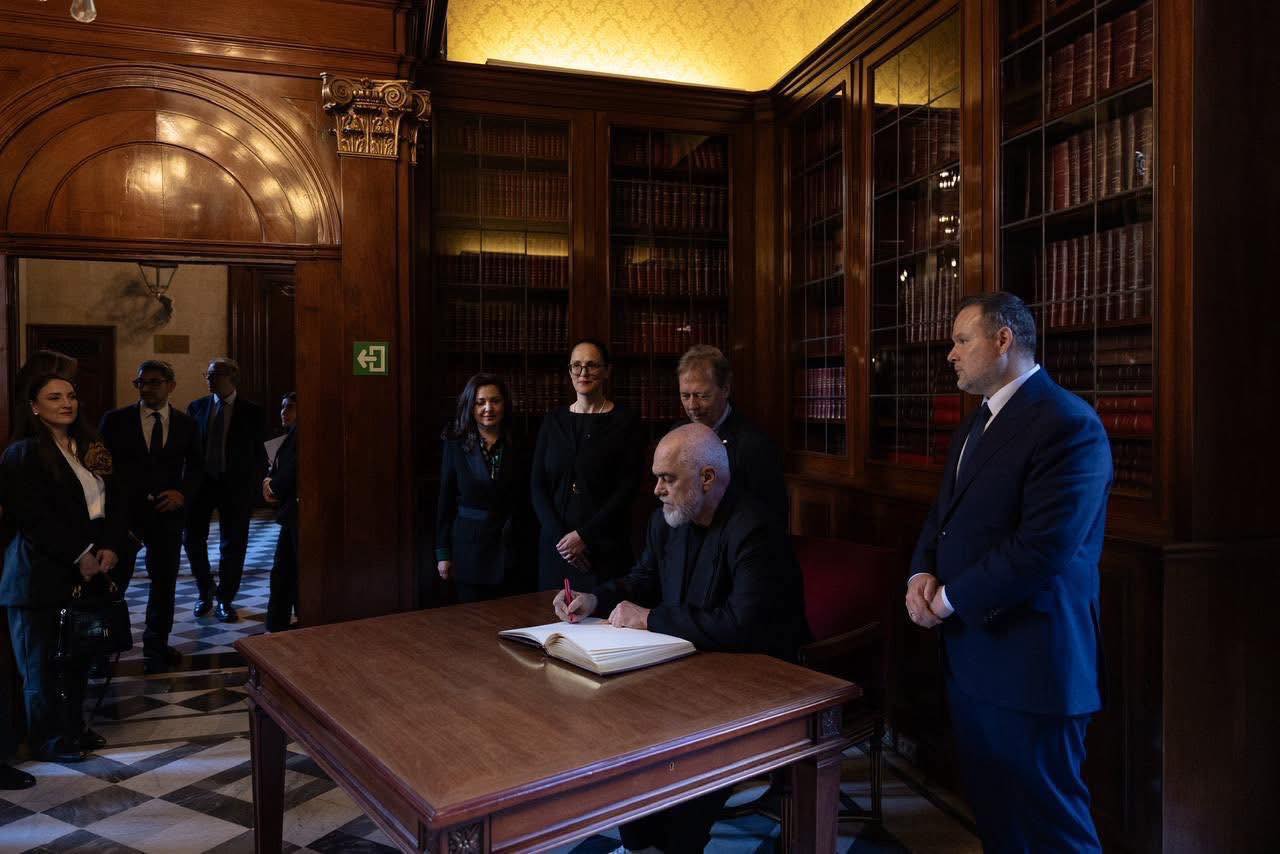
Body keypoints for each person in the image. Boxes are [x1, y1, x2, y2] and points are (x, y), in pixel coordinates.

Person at [905, 292, 1112, 852]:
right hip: (973, 660)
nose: (950, 354)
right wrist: (919, 574)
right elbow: (942, 517)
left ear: (1003, 340)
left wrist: (948, 599)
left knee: (1053, 829)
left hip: (1032, 666)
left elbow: (1042, 548)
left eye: (961, 340)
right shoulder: (975, 423)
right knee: (1000, 826)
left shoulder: (1069, 423)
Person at [555, 423, 808, 854]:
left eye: (667, 479)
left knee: (684, 790)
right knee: (628, 750)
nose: (656, 490)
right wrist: (594, 599)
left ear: (707, 478)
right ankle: (643, 836)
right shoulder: (668, 521)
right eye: (656, 477)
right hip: (688, 672)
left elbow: (743, 625)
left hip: (755, 681)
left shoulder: (754, 527)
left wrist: (651, 618)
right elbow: (643, 579)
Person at [1, 374, 130, 762]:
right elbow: (32, 516)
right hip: (38, 575)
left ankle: (73, 728)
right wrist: (79, 553)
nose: (66, 403)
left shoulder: (89, 446)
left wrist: (110, 545)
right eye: (54, 397)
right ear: (34, 406)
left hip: (87, 573)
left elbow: (115, 500)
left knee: (77, 656)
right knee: (41, 665)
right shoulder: (22, 453)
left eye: (71, 396)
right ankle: (48, 739)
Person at [99, 360, 203, 674]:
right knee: (114, 583)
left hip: (166, 515)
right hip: (124, 516)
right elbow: (100, 467)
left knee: (164, 583)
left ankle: (156, 646)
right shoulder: (115, 420)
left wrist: (181, 493)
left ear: (171, 385)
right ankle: (103, 650)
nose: (146, 388)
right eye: (141, 382)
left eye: (154, 382)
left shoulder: (186, 424)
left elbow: (197, 468)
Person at [531, 338, 643, 593]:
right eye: (577, 365)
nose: (583, 372)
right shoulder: (552, 421)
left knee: (603, 614)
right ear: (569, 370)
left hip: (604, 547)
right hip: (557, 549)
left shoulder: (626, 421)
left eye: (592, 365)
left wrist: (584, 536)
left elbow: (628, 488)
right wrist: (563, 541)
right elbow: (537, 486)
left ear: (606, 371)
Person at [435, 375, 531, 603]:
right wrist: (443, 553)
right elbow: (445, 501)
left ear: (504, 404)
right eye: (480, 402)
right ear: (471, 406)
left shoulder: (520, 442)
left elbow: (527, 499)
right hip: (469, 551)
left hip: (511, 549)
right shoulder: (455, 444)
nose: (488, 408)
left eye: (495, 401)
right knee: (472, 620)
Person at [673, 344, 788, 531]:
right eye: (685, 396)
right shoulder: (676, 435)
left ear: (725, 389)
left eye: (702, 396)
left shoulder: (754, 444)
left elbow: (770, 515)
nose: (692, 406)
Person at [185, 357, 266, 623]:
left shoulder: (253, 412)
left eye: (215, 375)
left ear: (233, 377)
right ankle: (205, 590)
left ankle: (225, 599)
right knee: (192, 538)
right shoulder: (196, 407)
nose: (209, 379)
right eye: (207, 375)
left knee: (233, 543)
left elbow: (259, 453)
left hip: (235, 486)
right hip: (201, 484)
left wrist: (254, 486)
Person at [263, 393, 299, 631]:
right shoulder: (290, 435)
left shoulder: (301, 434)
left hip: (297, 513)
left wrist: (272, 485)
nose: (284, 412)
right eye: (282, 407)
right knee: (282, 571)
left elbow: (292, 470)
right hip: (290, 512)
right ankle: (276, 626)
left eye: (290, 407)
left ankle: (279, 626)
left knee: (287, 571)